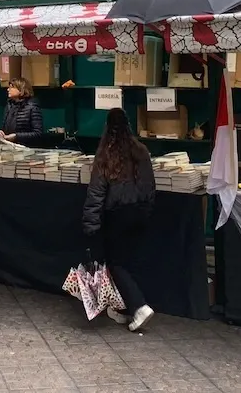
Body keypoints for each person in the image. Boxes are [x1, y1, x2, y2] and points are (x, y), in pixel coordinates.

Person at [82, 107, 157, 332]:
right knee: (131, 261)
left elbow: (96, 193)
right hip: (140, 212)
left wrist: (90, 225)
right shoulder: (141, 151)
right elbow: (150, 187)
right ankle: (124, 310)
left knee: (116, 263)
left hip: (118, 215)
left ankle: (139, 307)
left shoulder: (106, 153)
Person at [0, 78, 44, 146]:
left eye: (12, 87)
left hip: (26, 150)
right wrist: (1, 132)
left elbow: (38, 133)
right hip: (10, 148)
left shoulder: (32, 107)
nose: (8, 89)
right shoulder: (9, 106)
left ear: (21, 90)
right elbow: (5, 127)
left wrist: (16, 136)